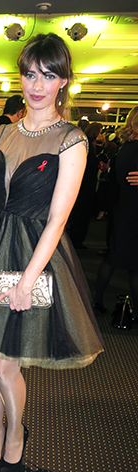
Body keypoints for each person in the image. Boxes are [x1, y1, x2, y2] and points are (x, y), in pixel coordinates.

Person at [0, 33, 104, 472]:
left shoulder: (71, 140)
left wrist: (27, 282)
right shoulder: (0, 133)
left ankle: (16, 431)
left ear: (64, 81)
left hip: (33, 255)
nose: (37, 85)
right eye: (29, 74)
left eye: (48, 75)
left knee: (6, 361)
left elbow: (58, 219)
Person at [94, 106, 138, 320]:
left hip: (122, 210)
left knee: (112, 258)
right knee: (135, 265)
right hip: (133, 211)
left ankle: (97, 301)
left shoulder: (125, 148)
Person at [68, 122, 103, 249]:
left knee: (78, 213)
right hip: (85, 185)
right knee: (81, 214)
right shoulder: (89, 146)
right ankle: (76, 240)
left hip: (81, 185)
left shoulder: (86, 144)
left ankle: (75, 239)